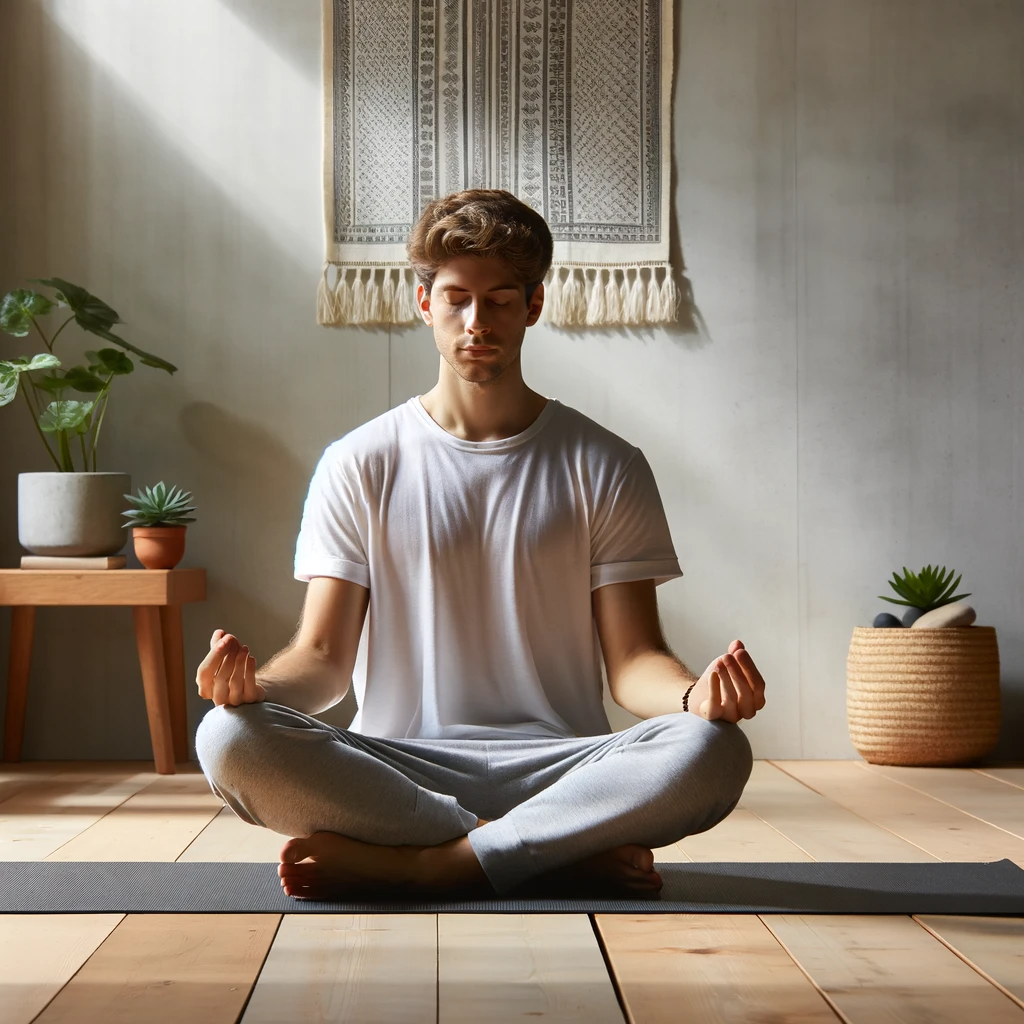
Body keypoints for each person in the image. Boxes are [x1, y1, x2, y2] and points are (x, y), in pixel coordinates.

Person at [194, 189, 765, 900]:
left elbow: (632, 664)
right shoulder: (360, 462)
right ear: (423, 302)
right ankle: (549, 850)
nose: (476, 322)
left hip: (563, 766)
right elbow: (323, 661)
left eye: (499, 300)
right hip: (401, 768)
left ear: (533, 306)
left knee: (713, 747)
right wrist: (254, 693)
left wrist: (693, 696)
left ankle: (428, 864)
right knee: (227, 737)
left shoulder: (605, 462)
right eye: (457, 298)